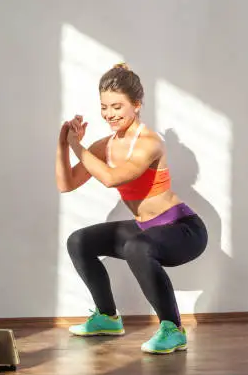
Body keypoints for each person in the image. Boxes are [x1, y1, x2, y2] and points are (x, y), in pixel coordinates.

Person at [55, 63, 208, 354]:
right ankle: (107, 318)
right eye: (104, 107)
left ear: (136, 105)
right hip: (146, 228)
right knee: (79, 241)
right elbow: (66, 184)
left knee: (137, 247)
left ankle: (173, 329)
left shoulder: (149, 142)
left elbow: (112, 178)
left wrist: (78, 146)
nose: (109, 114)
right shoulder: (107, 144)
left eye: (117, 106)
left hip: (184, 230)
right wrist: (64, 144)